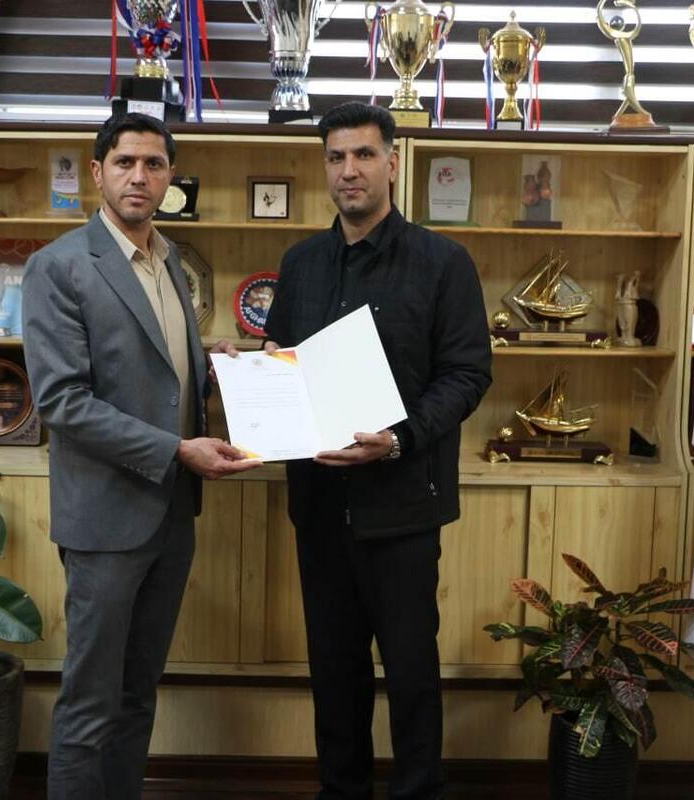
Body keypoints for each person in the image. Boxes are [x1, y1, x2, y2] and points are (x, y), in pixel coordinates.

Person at [217, 102, 492, 799]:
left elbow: (467, 374)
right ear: (325, 167)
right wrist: (251, 368)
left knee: (411, 674)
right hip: (318, 508)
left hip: (402, 507)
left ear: (393, 163)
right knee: (335, 674)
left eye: (365, 155)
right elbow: (283, 358)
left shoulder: (442, 262)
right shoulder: (302, 263)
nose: (350, 170)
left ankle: (418, 791)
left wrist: (398, 438)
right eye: (337, 157)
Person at [22, 112, 260, 800]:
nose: (139, 177)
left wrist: (212, 365)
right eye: (125, 163)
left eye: (154, 165)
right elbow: (63, 402)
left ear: (170, 177)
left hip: (172, 515)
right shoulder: (60, 265)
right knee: (91, 702)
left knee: (137, 694)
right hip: (106, 520)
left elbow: (153, 370)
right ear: (98, 172)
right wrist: (177, 449)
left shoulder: (170, 259)